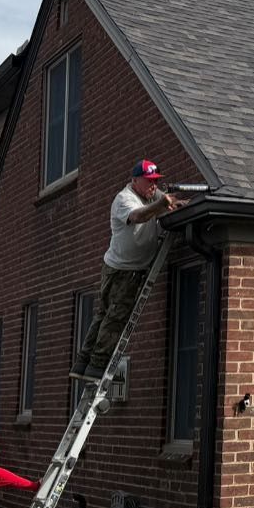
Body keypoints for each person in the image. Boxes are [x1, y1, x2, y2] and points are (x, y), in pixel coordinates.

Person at [71, 159, 184, 382]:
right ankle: (96, 367)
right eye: (149, 181)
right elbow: (138, 216)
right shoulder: (125, 199)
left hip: (121, 266)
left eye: (155, 181)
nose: (153, 186)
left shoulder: (152, 195)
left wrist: (176, 204)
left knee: (104, 315)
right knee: (115, 317)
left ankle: (82, 363)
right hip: (122, 270)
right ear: (135, 180)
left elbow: (169, 203)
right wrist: (161, 206)